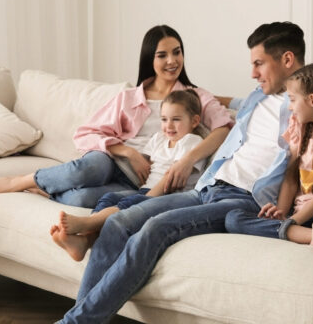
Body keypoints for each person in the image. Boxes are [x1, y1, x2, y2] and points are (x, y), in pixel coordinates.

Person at [33, 21, 313, 324]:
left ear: (288, 60)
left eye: (259, 63)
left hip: (243, 200)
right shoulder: (252, 98)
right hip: (207, 188)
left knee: (153, 230)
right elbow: (219, 110)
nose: (253, 73)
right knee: (118, 222)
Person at [0, 25, 233, 208]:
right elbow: (85, 134)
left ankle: (46, 190)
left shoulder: (194, 97)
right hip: (112, 162)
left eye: (177, 52)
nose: (172, 61)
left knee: (80, 200)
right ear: (149, 59)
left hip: (141, 183)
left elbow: (224, 128)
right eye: (162, 55)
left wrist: (188, 160)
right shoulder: (130, 97)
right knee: (92, 166)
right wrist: (128, 152)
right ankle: (22, 180)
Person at [225, 62, 313, 254]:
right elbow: (291, 180)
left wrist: (297, 221)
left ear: (312, 100)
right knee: (233, 218)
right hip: (305, 218)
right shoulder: (299, 130)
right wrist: (282, 213)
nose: (290, 108)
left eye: (292, 100)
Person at [51, 89, 208, 261]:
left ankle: (87, 224)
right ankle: (86, 239)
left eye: (176, 120)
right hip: (146, 190)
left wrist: (147, 197)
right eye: (164, 119)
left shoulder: (192, 142)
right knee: (110, 197)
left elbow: (169, 178)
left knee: (129, 203)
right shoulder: (159, 139)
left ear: (194, 121)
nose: (168, 126)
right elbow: (147, 164)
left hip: (168, 196)